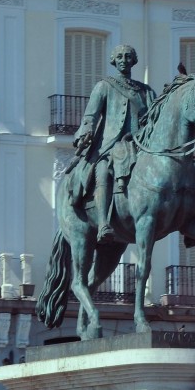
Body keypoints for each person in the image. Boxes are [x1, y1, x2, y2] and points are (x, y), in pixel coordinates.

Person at [69, 43, 157, 244]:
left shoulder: (145, 91)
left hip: (139, 145)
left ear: (133, 61)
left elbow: (156, 118)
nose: (124, 60)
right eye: (120, 57)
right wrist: (86, 131)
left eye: (128, 57)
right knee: (103, 172)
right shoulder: (104, 86)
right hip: (110, 146)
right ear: (114, 61)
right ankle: (102, 224)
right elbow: (90, 115)